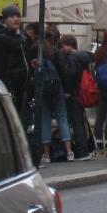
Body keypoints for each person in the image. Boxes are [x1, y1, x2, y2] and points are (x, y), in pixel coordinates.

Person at [34, 31, 75, 166]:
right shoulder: (56, 52)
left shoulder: (36, 51)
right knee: (62, 118)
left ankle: (46, 154)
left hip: (43, 89)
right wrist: (67, 90)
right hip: (57, 88)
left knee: (45, 119)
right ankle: (69, 152)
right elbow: (63, 71)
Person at [0, 5, 30, 118]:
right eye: (12, 16)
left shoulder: (19, 36)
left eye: (18, 16)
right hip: (9, 89)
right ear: (5, 19)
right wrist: (6, 88)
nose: (16, 19)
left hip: (21, 88)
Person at [58, 34, 94, 159]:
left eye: (62, 46)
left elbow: (70, 74)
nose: (61, 49)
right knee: (80, 121)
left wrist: (67, 90)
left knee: (76, 122)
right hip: (82, 91)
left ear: (69, 45)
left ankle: (81, 150)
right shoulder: (84, 56)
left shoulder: (72, 57)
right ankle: (85, 148)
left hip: (73, 93)